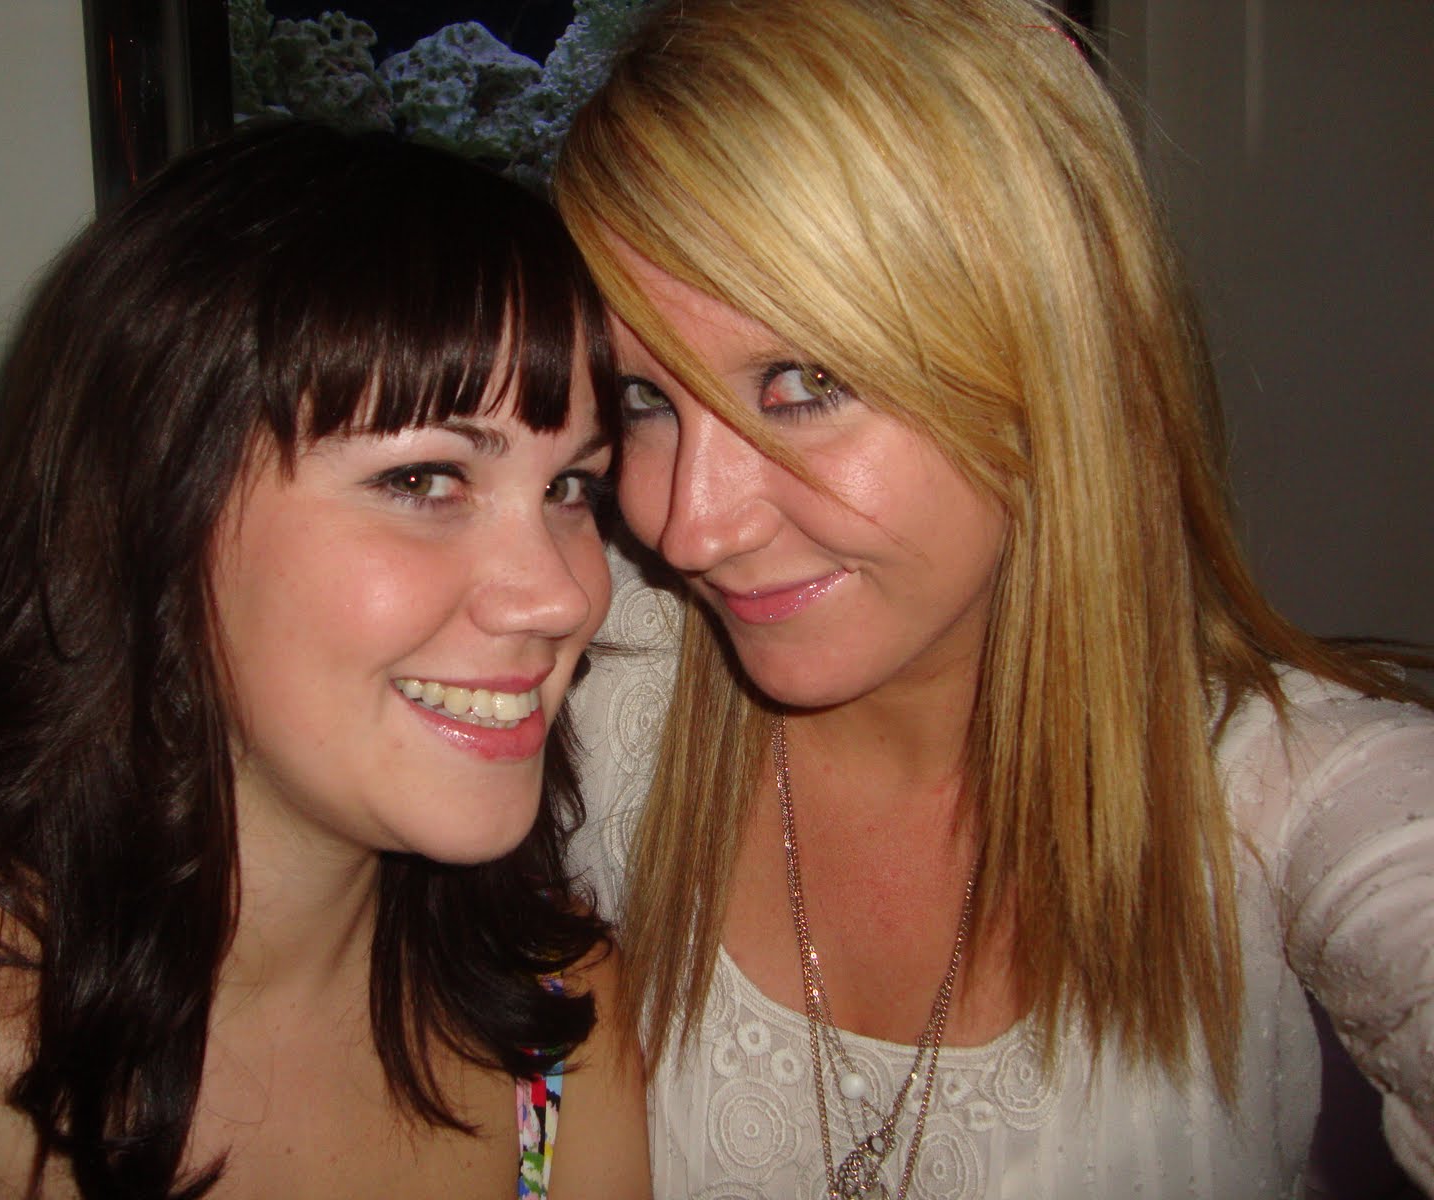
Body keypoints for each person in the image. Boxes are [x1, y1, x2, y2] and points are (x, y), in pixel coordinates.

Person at [552, 0, 1434, 1196]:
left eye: (803, 380)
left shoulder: (1289, 796)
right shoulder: (586, 670)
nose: (686, 524)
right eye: (644, 399)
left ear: (1051, 362)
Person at [0, 121, 650, 1200]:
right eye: (422, 480)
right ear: (153, 517)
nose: (561, 596)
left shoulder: (556, 1015)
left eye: (571, 488)